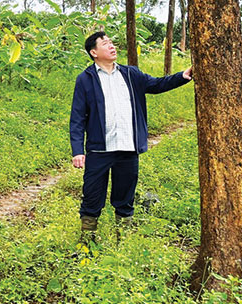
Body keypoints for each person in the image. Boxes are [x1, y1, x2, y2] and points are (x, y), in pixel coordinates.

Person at [70, 31, 193, 242]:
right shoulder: (86, 79)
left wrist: (184, 76)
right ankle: (86, 243)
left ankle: (123, 242)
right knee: (91, 196)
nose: (111, 46)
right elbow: (78, 117)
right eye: (105, 43)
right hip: (99, 150)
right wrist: (77, 151)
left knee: (124, 197)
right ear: (94, 52)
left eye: (111, 42)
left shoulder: (130, 74)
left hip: (128, 148)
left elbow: (157, 84)